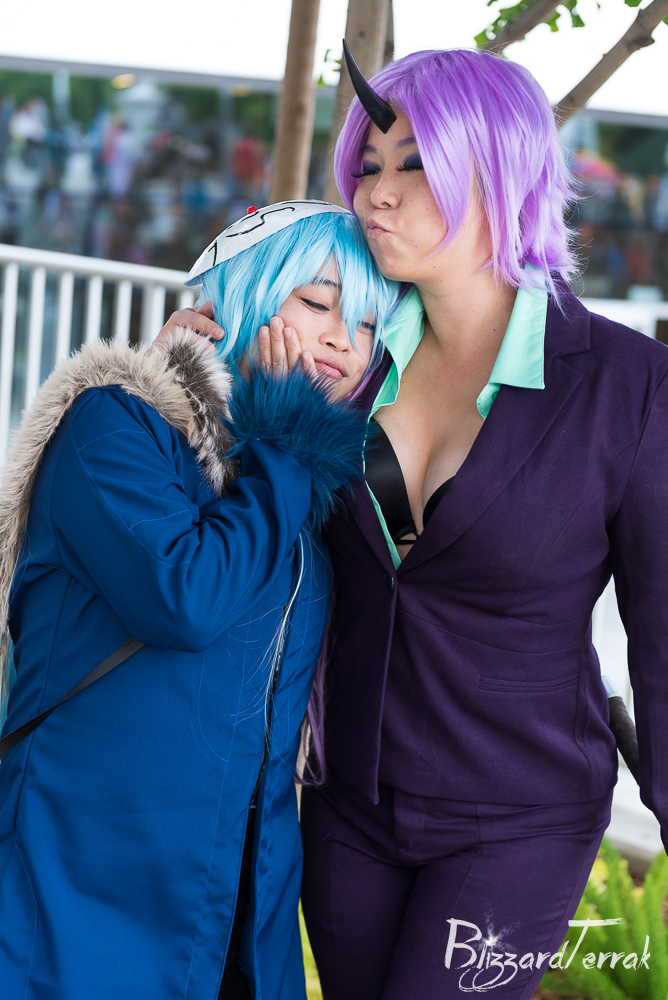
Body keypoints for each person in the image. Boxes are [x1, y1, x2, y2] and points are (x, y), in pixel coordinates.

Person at [290, 47, 668, 1000]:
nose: (376, 193)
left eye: (415, 164)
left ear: (500, 171)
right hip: (349, 805)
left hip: (519, 818)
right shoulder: (344, 361)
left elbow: (666, 638)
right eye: (367, 166)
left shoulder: (628, 386)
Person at [0, 200, 397, 1000]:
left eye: (365, 324)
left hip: (238, 897)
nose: (340, 340)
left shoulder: (301, 482)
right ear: (243, 297)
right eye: (316, 303)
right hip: (79, 879)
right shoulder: (112, 424)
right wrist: (282, 441)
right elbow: (183, 597)